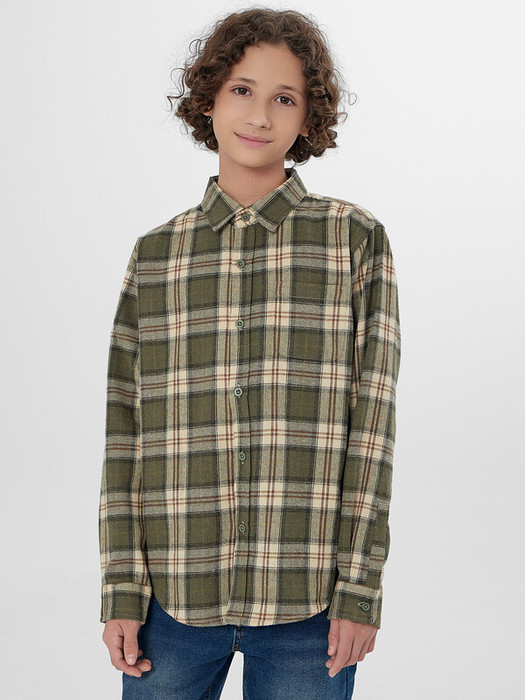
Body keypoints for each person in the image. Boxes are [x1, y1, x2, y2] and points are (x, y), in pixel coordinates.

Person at [99, 8, 401, 699]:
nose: (259, 115)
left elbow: (371, 428)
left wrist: (359, 589)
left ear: (308, 116)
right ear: (208, 98)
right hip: (171, 599)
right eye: (241, 89)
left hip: (309, 604)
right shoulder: (155, 256)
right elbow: (125, 433)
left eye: (284, 98)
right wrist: (121, 587)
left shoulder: (352, 239)